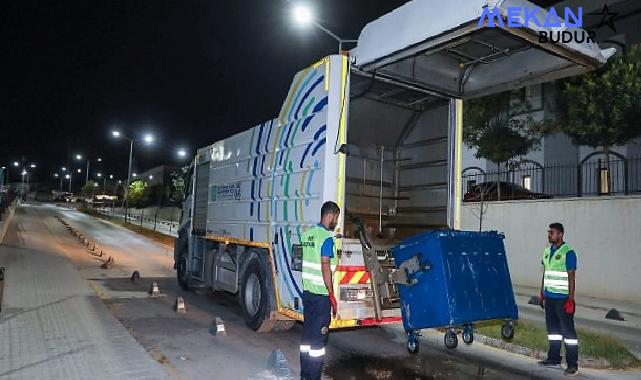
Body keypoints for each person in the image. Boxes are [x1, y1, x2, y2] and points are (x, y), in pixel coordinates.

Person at [299, 201, 340, 380]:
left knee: (307, 339)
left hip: (307, 294)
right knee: (317, 344)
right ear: (330, 215)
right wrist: (331, 294)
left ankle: (305, 376)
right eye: (336, 218)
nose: (336, 222)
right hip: (321, 298)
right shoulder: (326, 238)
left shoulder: (307, 235)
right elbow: (325, 265)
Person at [538, 222, 579, 377]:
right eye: (549, 232)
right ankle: (553, 358)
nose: (549, 235)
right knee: (553, 331)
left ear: (561, 234)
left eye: (552, 232)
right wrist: (541, 293)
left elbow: (572, 277)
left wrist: (571, 299)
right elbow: (545, 273)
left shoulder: (569, 253)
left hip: (563, 299)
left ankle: (572, 364)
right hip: (549, 297)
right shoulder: (547, 252)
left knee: (568, 333)